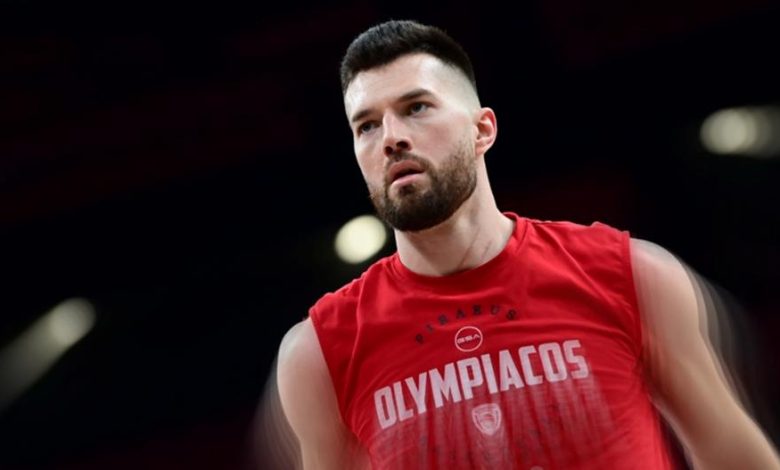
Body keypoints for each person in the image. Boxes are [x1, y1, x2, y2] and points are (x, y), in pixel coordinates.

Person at [274, 20, 780, 469]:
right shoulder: (319, 353)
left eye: (416, 108)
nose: (391, 137)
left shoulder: (629, 274)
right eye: (367, 125)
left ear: (482, 130)